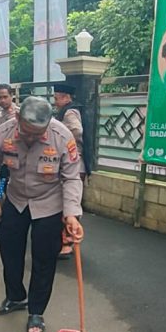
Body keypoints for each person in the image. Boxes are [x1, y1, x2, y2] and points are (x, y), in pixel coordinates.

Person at [0, 97, 85, 332]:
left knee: (44, 258)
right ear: (18, 118)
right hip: (16, 199)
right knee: (9, 251)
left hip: (49, 203)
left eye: (38, 134)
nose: (31, 139)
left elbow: (72, 177)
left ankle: (36, 311)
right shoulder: (3, 132)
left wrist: (71, 214)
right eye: (27, 133)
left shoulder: (62, 137)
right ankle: (16, 297)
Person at [53, 82, 91, 259]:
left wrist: (66, 143)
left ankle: (68, 244)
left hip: (74, 165)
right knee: (67, 203)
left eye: (56, 98)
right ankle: (66, 241)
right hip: (74, 164)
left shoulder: (70, 112)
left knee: (69, 203)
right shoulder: (71, 110)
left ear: (64, 97)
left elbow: (77, 130)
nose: (55, 102)